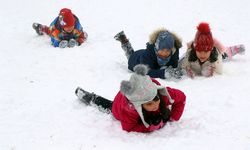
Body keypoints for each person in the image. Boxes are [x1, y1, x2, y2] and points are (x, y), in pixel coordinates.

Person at [75, 64, 186, 132]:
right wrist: (149, 127)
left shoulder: (162, 94)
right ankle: (90, 98)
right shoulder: (129, 110)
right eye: (149, 104)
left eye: (156, 99)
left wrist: (173, 117)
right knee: (109, 106)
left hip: (137, 91)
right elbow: (129, 128)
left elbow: (182, 98)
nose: (155, 105)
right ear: (139, 106)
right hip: (119, 106)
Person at [181, 22, 245, 78]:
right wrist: (188, 72)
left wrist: (212, 73)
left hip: (215, 55)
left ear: (211, 49)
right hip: (192, 54)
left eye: (206, 51)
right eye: (199, 51)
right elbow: (182, 67)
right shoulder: (189, 54)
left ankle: (232, 50)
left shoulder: (216, 57)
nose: (202, 55)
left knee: (224, 54)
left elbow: (219, 72)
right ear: (195, 49)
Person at [114, 29, 183, 80]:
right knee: (130, 54)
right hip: (136, 60)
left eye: (168, 50)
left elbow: (174, 64)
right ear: (157, 47)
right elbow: (146, 72)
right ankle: (124, 41)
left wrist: (175, 70)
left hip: (145, 56)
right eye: (161, 50)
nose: (164, 53)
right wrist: (164, 73)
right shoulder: (147, 54)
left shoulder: (174, 51)